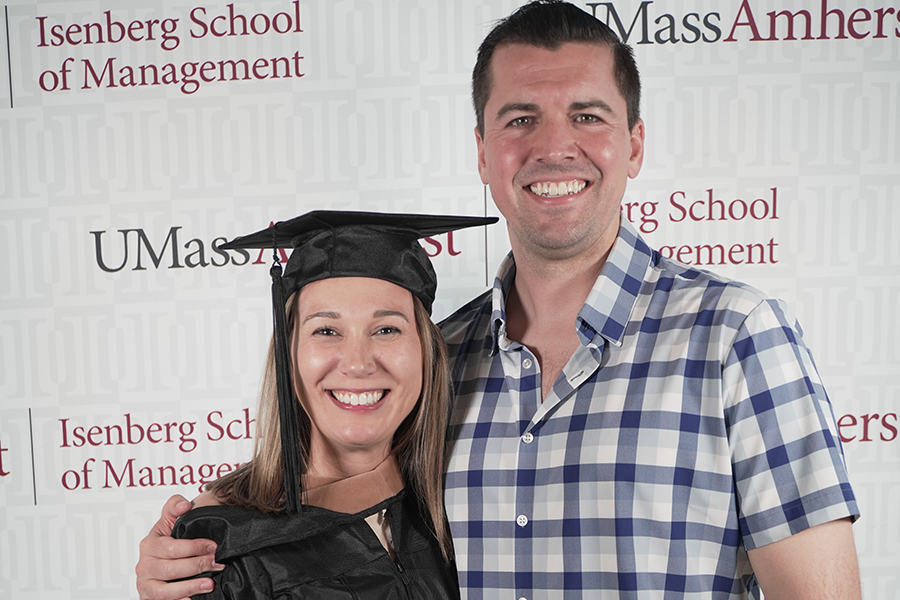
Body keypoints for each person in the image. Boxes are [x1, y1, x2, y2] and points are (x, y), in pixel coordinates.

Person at [136, 2, 861, 599]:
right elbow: (327, 504)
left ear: (635, 145)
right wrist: (192, 549)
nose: (555, 146)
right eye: (521, 119)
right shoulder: (433, 363)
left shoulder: (734, 337)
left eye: (588, 116)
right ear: (482, 151)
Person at [163, 210, 495, 599]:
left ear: (426, 351)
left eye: (386, 329)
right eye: (326, 330)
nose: (358, 363)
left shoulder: (454, 508)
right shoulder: (222, 548)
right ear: (288, 355)